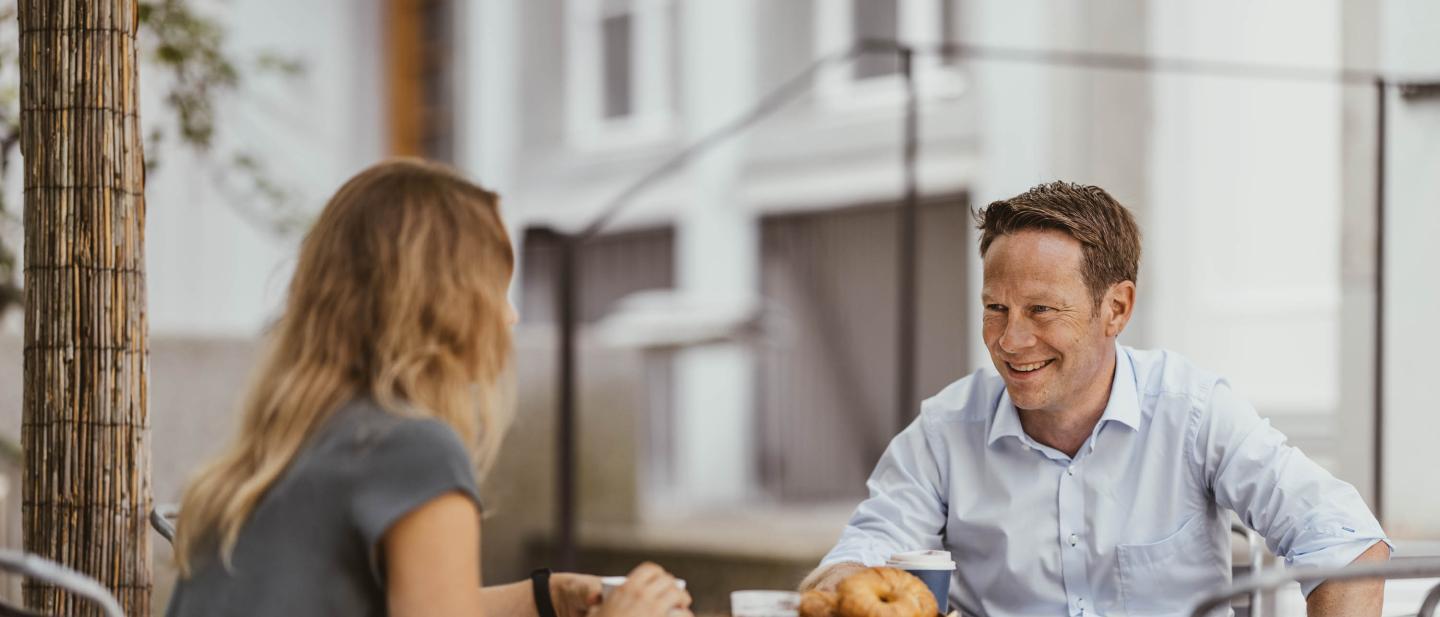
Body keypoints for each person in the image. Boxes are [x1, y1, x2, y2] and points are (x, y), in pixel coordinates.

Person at [800, 182, 1390, 617]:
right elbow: (858, 557)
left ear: (1116, 308)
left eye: (1041, 310)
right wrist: (845, 582)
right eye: (995, 308)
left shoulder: (1193, 412)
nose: (1010, 341)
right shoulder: (946, 429)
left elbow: (1344, 540)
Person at [166, 159, 692, 617]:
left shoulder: (293, 444)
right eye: (495, 289)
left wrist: (545, 598)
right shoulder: (409, 450)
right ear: (441, 301)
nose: (509, 317)